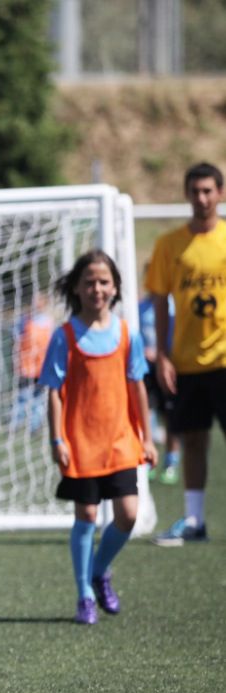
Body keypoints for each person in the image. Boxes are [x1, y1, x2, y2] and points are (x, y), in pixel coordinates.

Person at [40, 251, 156, 624]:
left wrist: (147, 438)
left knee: (128, 514)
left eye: (104, 281)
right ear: (76, 287)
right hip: (81, 443)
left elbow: (137, 387)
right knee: (87, 514)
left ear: (115, 287)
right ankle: (85, 595)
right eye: (89, 282)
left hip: (121, 440)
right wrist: (57, 440)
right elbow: (54, 392)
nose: (97, 288)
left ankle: (98, 569)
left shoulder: (126, 333)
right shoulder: (65, 336)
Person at [145, 162, 226, 546]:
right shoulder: (169, 245)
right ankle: (194, 521)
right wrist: (163, 354)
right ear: (186, 194)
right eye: (195, 191)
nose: (202, 198)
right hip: (186, 362)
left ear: (221, 193)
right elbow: (160, 302)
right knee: (192, 440)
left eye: (208, 190)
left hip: (225, 359)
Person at [138, 288, 180, 484]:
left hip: (168, 366)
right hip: (147, 368)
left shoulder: (172, 306)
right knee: (145, 412)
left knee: (171, 416)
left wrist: (163, 354)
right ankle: (148, 459)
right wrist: (144, 351)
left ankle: (171, 462)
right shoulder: (140, 307)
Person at [11, 291, 56, 434]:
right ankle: (15, 425)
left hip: (42, 366)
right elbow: (16, 340)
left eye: (38, 301)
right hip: (26, 366)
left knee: (39, 397)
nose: (35, 304)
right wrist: (15, 359)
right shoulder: (24, 321)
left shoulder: (49, 322)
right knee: (23, 396)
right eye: (33, 301)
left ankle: (34, 427)